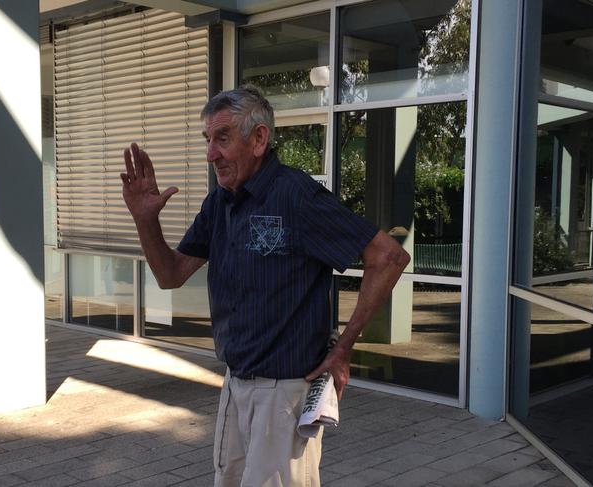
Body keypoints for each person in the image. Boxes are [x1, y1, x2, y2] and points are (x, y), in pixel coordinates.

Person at [121, 86, 410, 487]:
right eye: (208, 140)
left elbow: (389, 257)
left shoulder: (296, 195)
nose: (211, 154)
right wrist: (144, 220)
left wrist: (343, 350)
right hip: (235, 384)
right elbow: (170, 275)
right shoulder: (219, 202)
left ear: (258, 139)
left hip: (285, 396)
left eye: (222, 138)